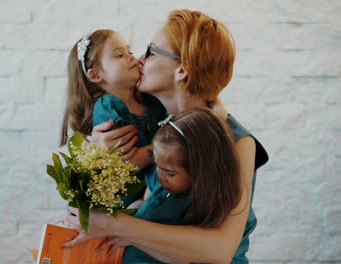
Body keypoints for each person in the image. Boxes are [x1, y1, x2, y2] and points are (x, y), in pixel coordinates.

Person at [63, 9, 269, 263]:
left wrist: (115, 225)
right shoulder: (149, 122)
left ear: (182, 70)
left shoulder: (237, 140)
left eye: (150, 52)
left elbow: (220, 249)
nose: (138, 59)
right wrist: (96, 153)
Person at [59, 29, 166, 205]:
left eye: (129, 51)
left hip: (156, 185)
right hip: (126, 198)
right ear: (95, 75)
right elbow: (126, 160)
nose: (131, 57)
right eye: (119, 55)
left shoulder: (150, 101)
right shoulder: (109, 107)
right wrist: (167, 149)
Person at [121, 108, 241, 263]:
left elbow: (178, 259)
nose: (160, 176)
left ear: (200, 173)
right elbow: (143, 203)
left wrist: (131, 236)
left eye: (170, 173)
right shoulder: (161, 182)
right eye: (157, 165)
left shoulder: (195, 205)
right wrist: (124, 217)